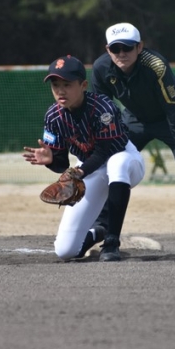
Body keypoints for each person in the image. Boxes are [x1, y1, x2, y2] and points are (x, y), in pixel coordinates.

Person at [91, 22, 175, 251]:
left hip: (172, 116)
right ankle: (100, 228)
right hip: (135, 118)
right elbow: (102, 109)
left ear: (139, 47)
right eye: (115, 48)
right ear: (107, 49)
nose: (121, 53)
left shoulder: (156, 65)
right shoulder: (101, 68)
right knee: (111, 164)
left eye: (127, 47)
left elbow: (174, 108)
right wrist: (105, 141)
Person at [23, 55, 145, 261]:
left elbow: (104, 152)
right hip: (89, 168)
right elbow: (62, 163)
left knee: (116, 164)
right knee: (66, 251)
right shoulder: (53, 117)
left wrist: (80, 172)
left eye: (67, 84)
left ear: (83, 85)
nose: (60, 91)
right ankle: (98, 232)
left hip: (125, 160)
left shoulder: (103, 109)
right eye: (55, 85)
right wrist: (51, 159)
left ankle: (112, 242)